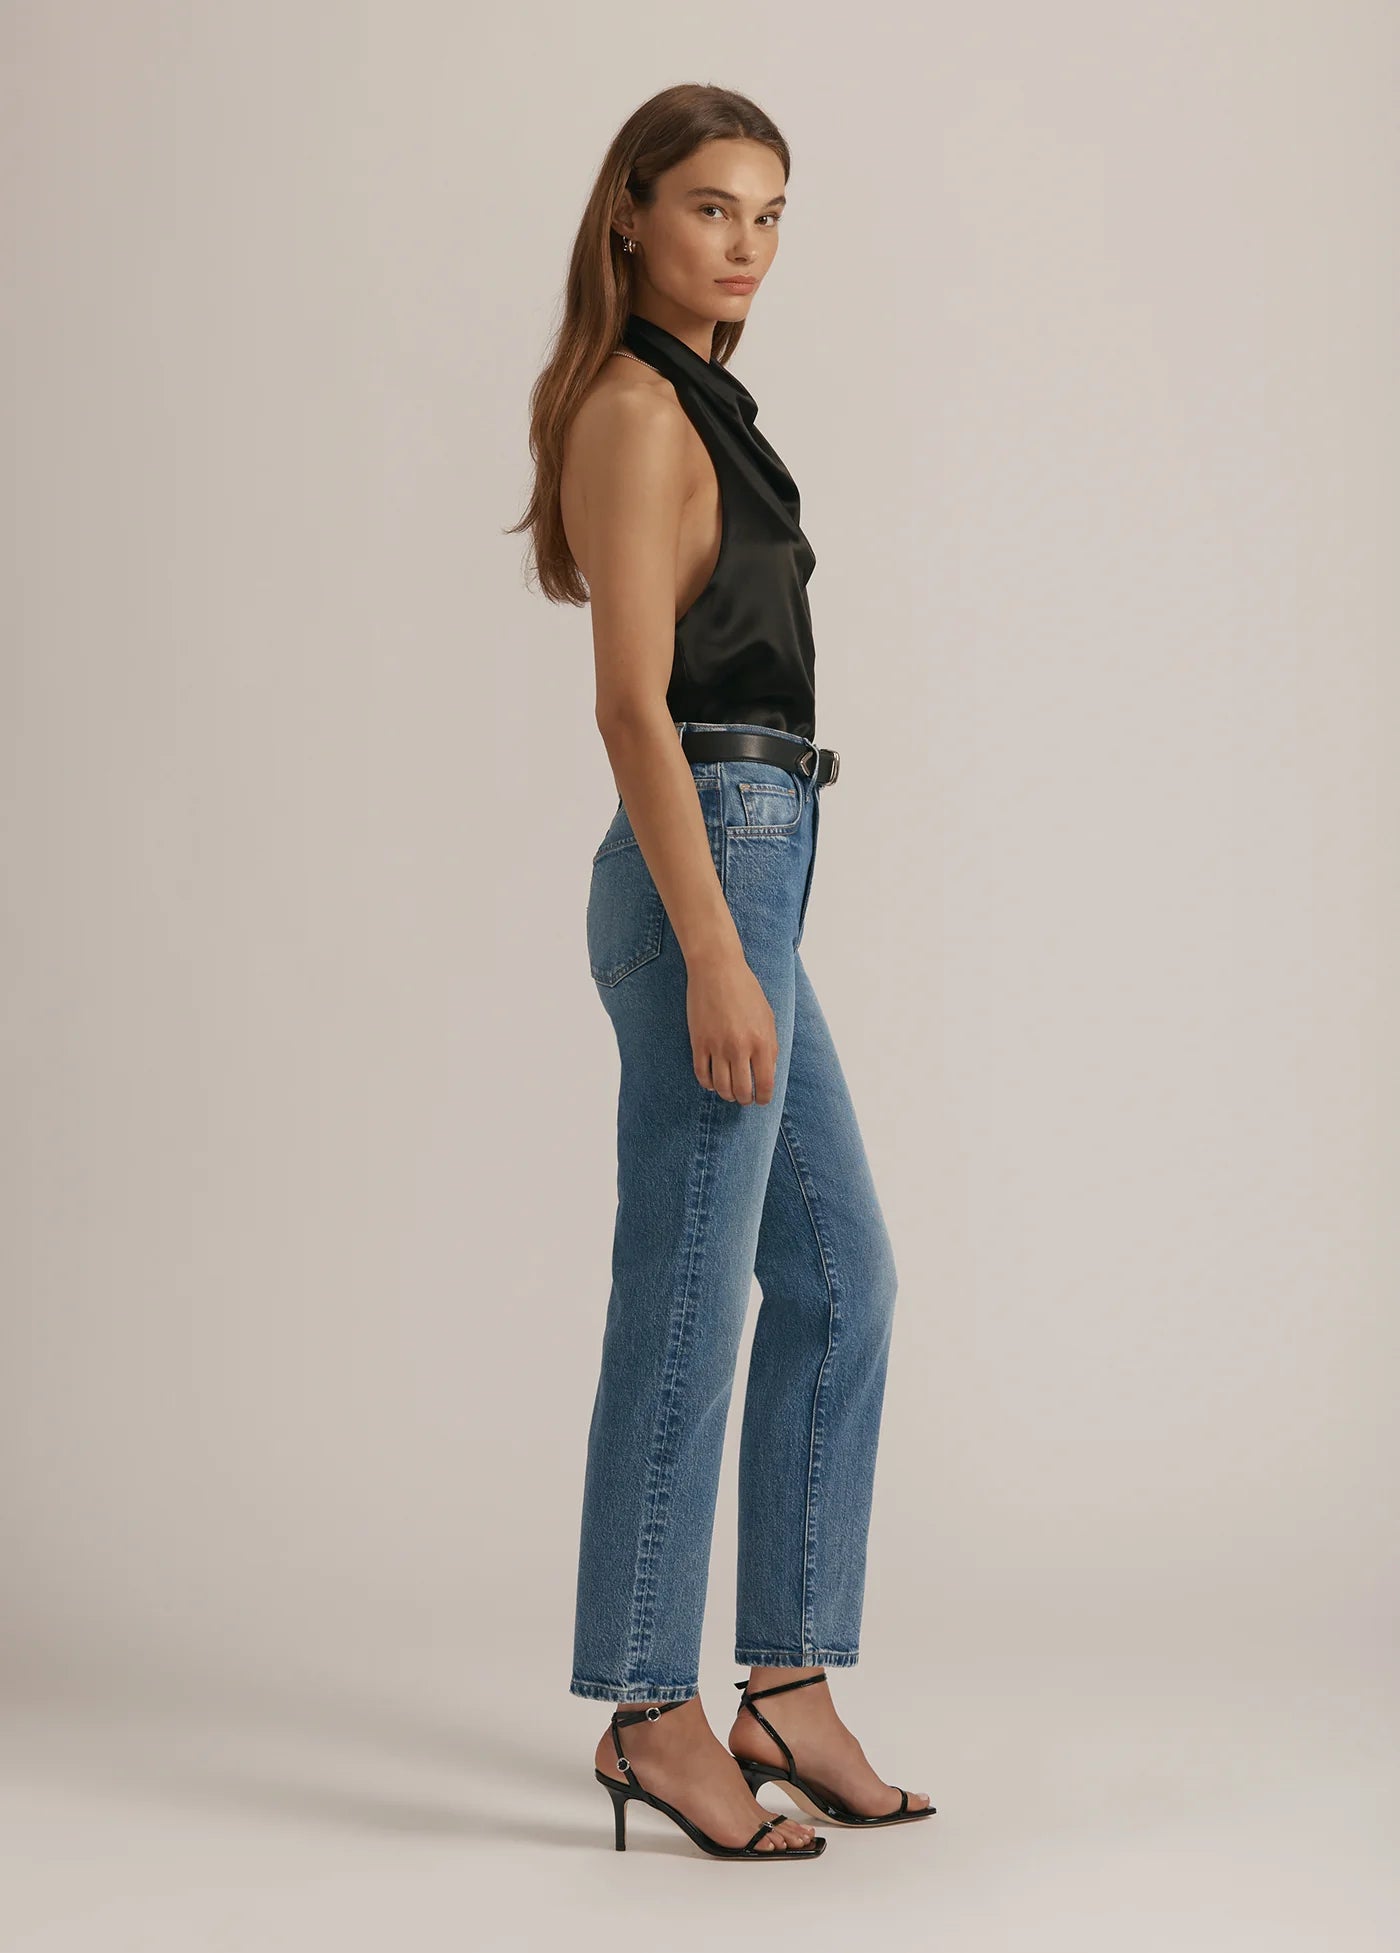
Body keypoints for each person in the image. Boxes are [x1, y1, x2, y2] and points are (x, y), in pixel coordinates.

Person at [509, 83, 934, 1861]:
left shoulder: (710, 405)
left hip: (763, 855)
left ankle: (787, 1683)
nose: (745, 245)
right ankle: (646, 1710)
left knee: (841, 1274)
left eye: (770, 213)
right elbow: (628, 703)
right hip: (710, 861)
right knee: (689, 1300)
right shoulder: (627, 405)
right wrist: (710, 948)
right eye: (708, 208)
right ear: (628, 216)